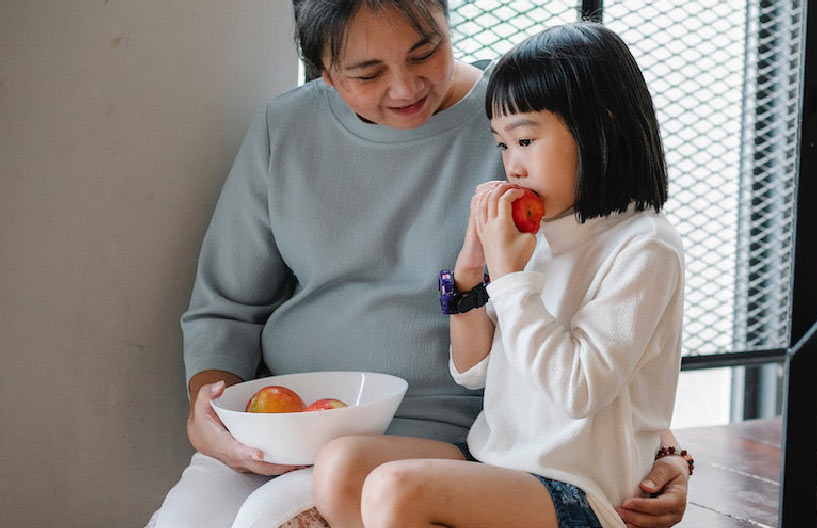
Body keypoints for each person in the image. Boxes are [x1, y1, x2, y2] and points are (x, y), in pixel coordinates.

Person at [149, 2, 689, 527]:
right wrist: (209, 415)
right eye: (367, 72)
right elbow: (225, 309)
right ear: (325, 74)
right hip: (283, 425)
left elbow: (614, 316)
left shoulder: (516, 121)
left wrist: (663, 451)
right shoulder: (283, 129)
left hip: (455, 444)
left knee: (266, 521)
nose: (405, 88)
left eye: (426, 51)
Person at [311, 22, 687, 528]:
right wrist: (470, 272)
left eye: (527, 139)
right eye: (503, 145)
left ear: (603, 124)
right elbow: (473, 370)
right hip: (498, 462)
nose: (512, 165)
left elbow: (578, 390)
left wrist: (509, 279)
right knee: (341, 465)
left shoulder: (645, 246)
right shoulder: (538, 233)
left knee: (396, 490)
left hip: (581, 490)